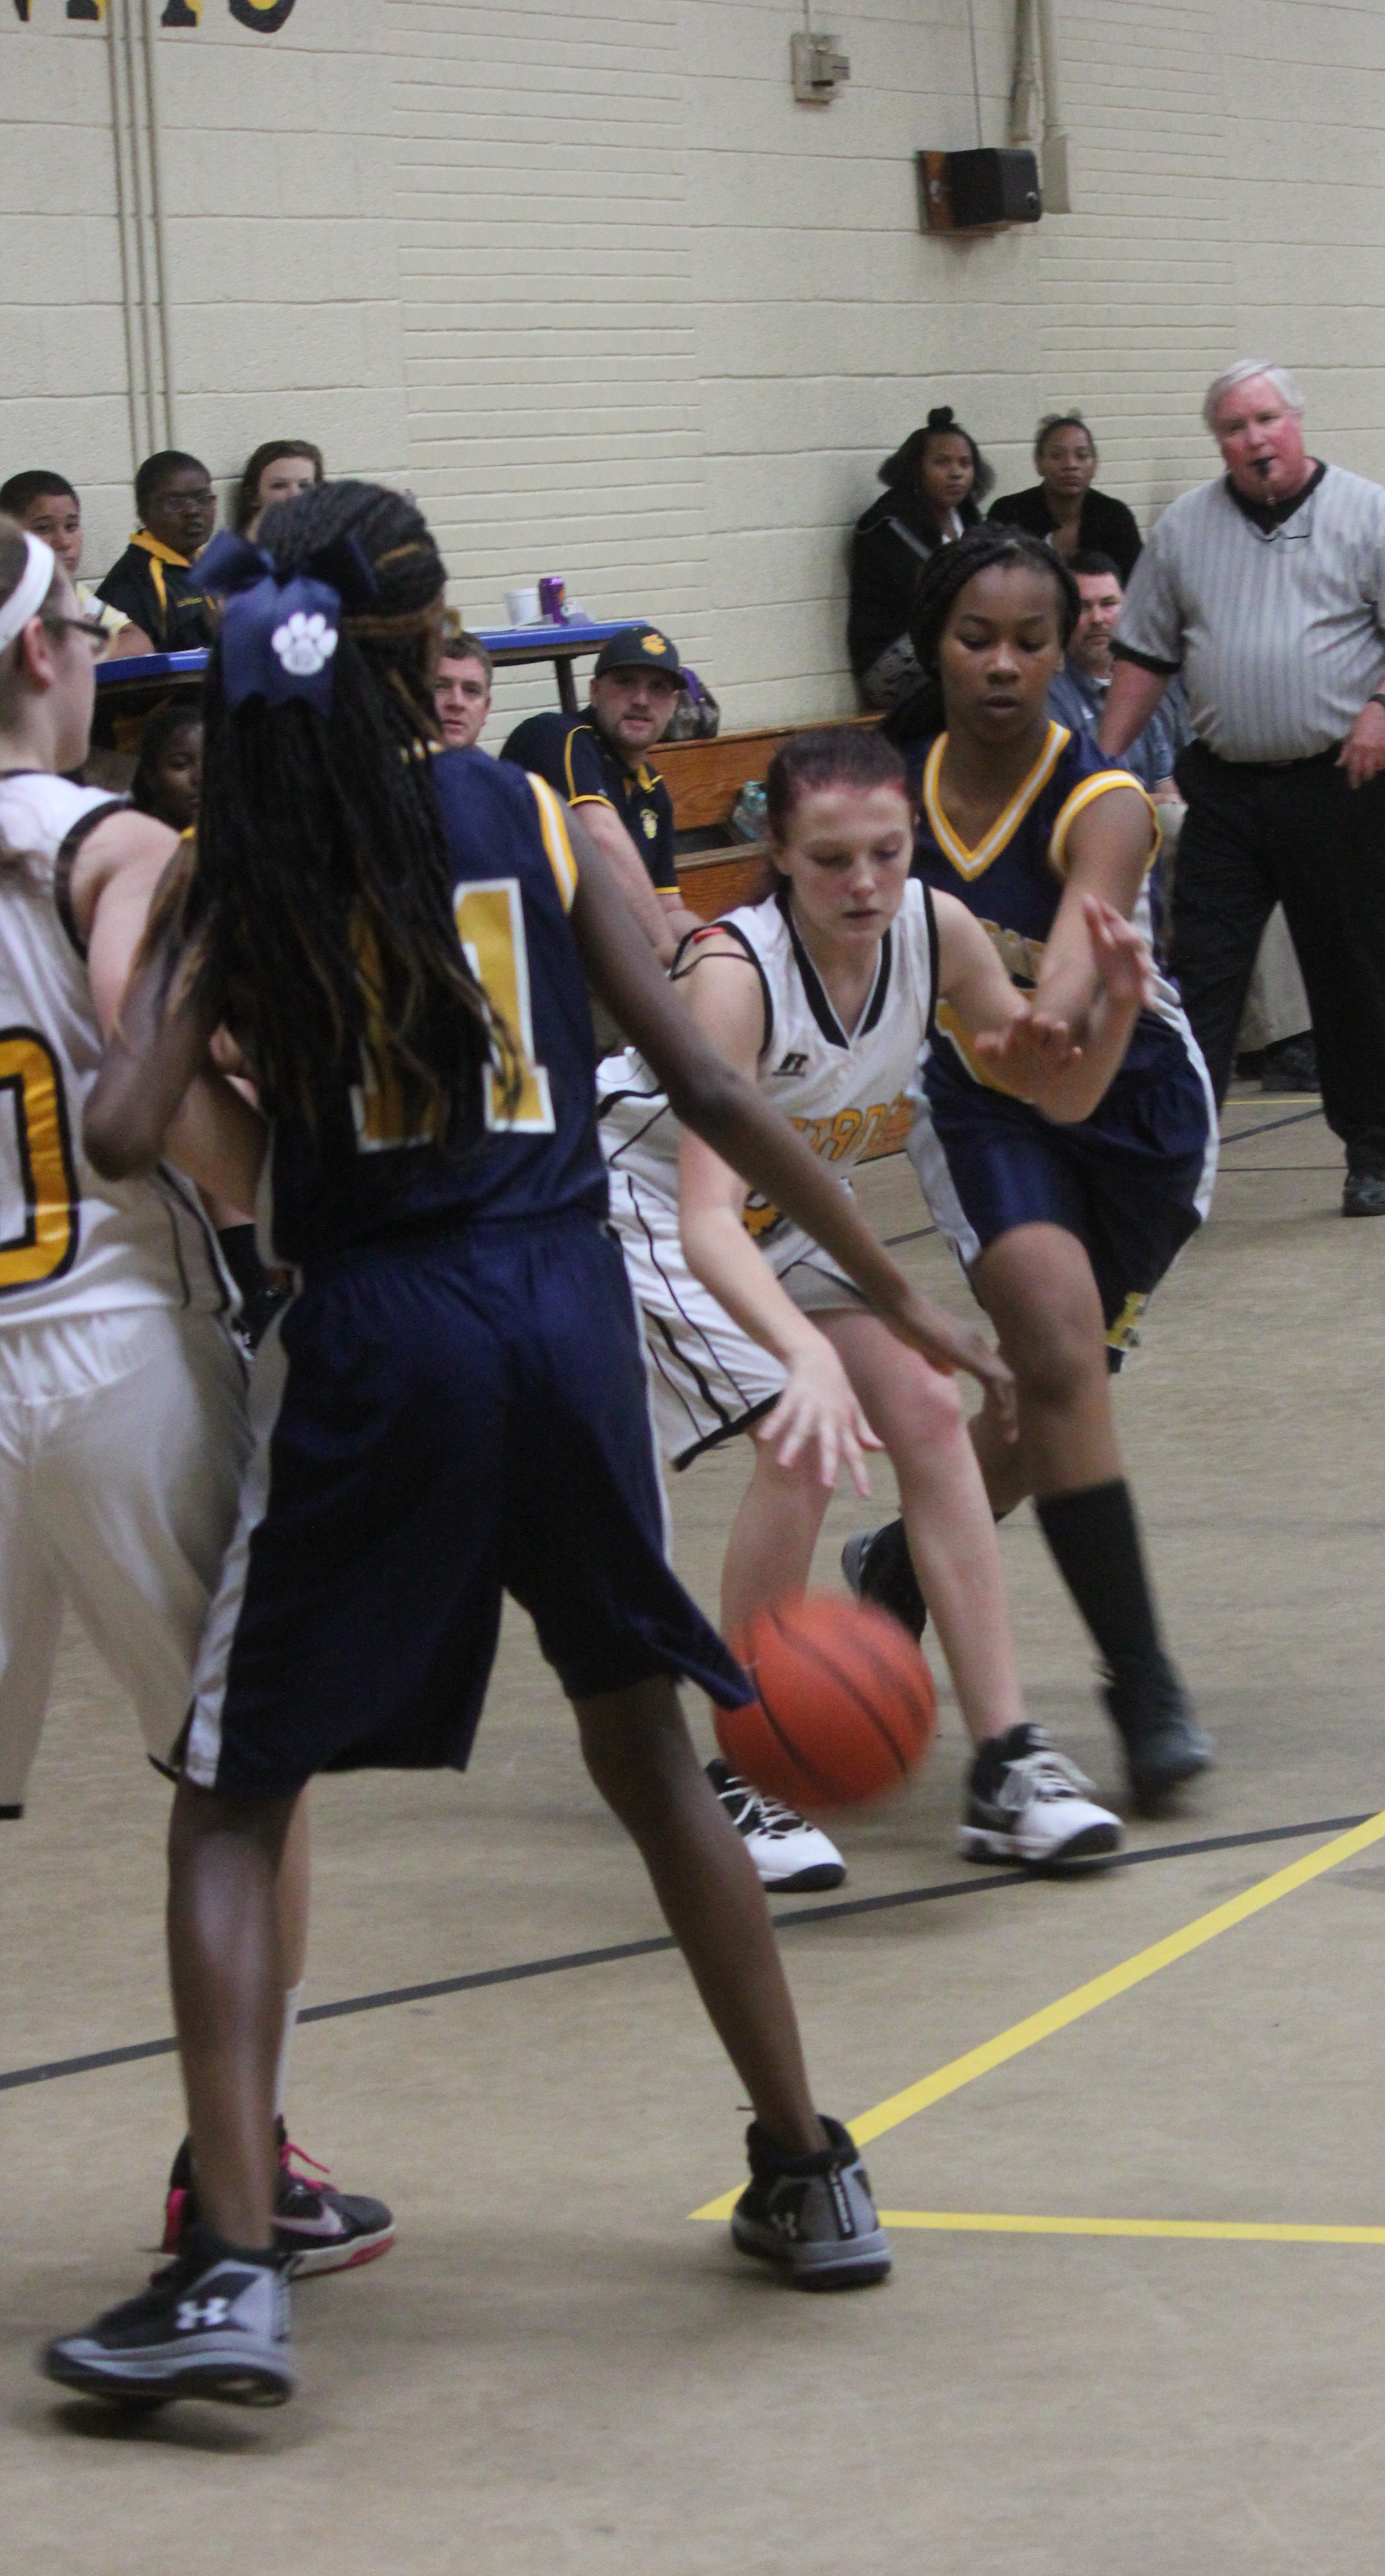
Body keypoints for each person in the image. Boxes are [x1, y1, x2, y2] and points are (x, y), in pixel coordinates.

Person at [43, 479, 1016, 2409]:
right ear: (433, 654)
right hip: (564, 1300)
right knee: (645, 1743)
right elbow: (717, 1082)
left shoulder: (264, 854)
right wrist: (889, 1294)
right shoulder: (540, 818)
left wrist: (204, 941)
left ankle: (232, 2266)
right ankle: (807, 2166)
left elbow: (129, 1134)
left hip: (385, 1324)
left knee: (235, 1790)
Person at [0, 515, 393, 2293]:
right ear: (41, 661)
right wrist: (297, 1212)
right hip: (103, 1349)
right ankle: (243, 2174)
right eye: (82, 620)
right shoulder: (112, 836)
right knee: (251, 1773)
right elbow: (152, 1089)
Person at [601, 726, 1133, 1880]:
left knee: (934, 1416)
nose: (865, 884)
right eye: (833, 859)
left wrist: (1119, 1009)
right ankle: (744, 1771)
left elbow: (1062, 1097)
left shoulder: (935, 935)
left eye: (888, 854)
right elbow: (702, 1216)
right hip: (631, 1203)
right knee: (802, 1435)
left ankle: (1005, 1764)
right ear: (777, 853)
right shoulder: (734, 978)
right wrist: (804, 1354)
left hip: (785, 1212)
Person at [853, 528, 1217, 1810]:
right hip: (982, 1107)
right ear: (931, 645)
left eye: (1028, 641)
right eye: (973, 639)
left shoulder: (1100, 795)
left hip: (1132, 1111)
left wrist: (1047, 1018)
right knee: (1056, 1359)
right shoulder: (880, 797)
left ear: (1068, 648)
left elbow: (1067, 986)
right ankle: (1142, 1682)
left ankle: (900, 1566)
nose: (1001, 665)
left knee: (1046, 1399)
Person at [1099, 361, 1385, 1218]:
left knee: (1353, 968)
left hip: (1343, 778)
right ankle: (1177, 1155)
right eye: (1233, 428)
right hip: (1225, 787)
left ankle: (1377, 1148)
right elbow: (1145, 657)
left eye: (1265, 421)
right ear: (1217, 441)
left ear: (1295, 422)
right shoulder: (1183, 530)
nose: (1253, 441)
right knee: (1203, 972)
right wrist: (1099, 767)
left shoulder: (1371, 514)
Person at [502, 625, 696, 956]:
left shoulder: (654, 791)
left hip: (598, 958)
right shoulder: (558, 736)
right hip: (528, 956)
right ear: (594, 691)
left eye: (658, 688)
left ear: (673, 703)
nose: (641, 700)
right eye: (625, 682)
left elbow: (669, 909)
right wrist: (670, 955)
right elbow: (600, 837)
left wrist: (717, 944)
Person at [847, 405, 992, 710]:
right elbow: (928, 602)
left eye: (965, 464)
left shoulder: (969, 517)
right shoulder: (887, 524)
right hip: (891, 656)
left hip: (954, 644)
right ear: (915, 468)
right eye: (942, 463)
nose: (956, 473)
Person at [1049, 551, 1186, 794]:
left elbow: (1166, 783)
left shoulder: (1138, 685)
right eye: (1083, 607)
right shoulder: (1052, 697)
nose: (1098, 619)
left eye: (1108, 604)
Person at [0, 469, 145, 656]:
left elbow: (139, 641)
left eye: (71, 527)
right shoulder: (7, 595)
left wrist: (83, 653)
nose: (63, 542)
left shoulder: (72, 591)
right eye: (43, 528)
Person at [989, 414, 1144, 582]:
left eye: (1082, 456)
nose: (1071, 465)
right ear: (1039, 463)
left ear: (1094, 466)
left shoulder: (1116, 517)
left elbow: (1136, 586)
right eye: (1057, 456)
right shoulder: (1009, 512)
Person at [94, 451, 220, 652]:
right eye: (175, 503)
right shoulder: (132, 582)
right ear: (143, 511)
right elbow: (139, 664)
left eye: (202, 499)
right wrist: (205, 626)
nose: (193, 511)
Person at [129, 699, 203, 832]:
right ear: (151, 775)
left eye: (212, 762)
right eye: (181, 765)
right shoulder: (135, 841)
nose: (200, 777)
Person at [231, 438, 324, 540]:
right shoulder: (239, 552)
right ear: (253, 496)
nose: (295, 495)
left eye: (305, 486)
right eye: (279, 486)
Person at [433, 628, 493, 749]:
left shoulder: (497, 768)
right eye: (441, 687)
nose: (457, 702)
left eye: (471, 691)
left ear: (487, 708)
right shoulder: (388, 765)